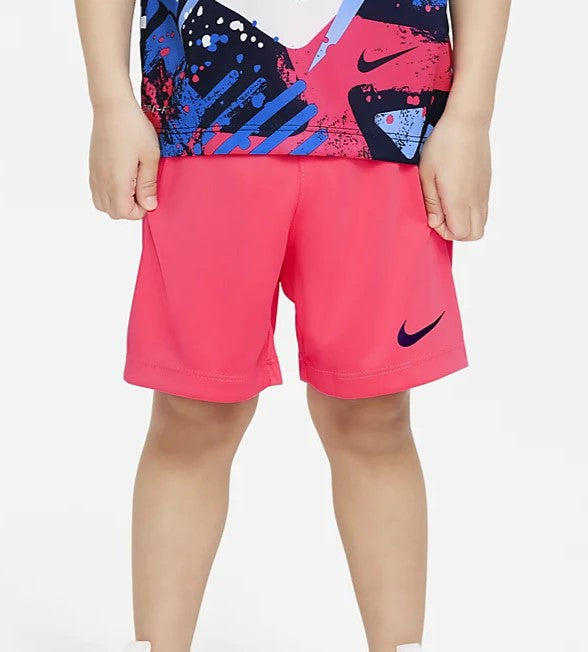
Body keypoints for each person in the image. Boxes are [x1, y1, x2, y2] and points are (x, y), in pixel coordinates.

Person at [75, 1, 510, 651]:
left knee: (375, 413)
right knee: (193, 410)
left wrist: (471, 117)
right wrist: (109, 102)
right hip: (202, 119)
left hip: (388, 124)